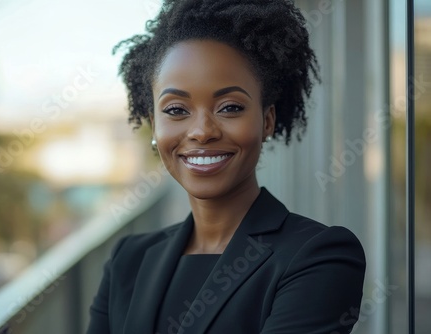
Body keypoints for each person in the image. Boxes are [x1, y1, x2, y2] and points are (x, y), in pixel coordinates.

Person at [86, 0, 366, 333]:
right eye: (176, 110)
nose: (202, 131)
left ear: (267, 120)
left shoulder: (319, 257)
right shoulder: (127, 260)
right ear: (153, 124)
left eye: (230, 107)